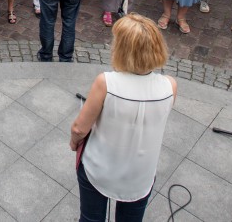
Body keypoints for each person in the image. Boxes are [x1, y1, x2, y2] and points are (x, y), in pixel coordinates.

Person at [70, 14, 176, 222]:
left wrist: (74, 142)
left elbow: (79, 129)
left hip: (100, 168)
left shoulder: (106, 83)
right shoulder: (170, 85)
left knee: (91, 219)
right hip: (141, 174)